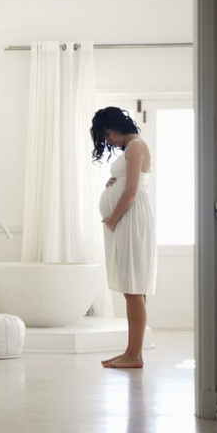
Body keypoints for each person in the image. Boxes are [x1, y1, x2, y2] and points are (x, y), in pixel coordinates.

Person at [91, 107, 157, 369]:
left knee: (133, 289)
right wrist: (112, 183)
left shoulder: (137, 146)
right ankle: (130, 352)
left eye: (108, 134)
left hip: (131, 218)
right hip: (128, 218)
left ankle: (134, 355)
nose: (108, 140)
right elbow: (128, 185)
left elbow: (131, 192)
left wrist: (112, 219)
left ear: (116, 125)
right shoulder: (132, 148)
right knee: (131, 289)